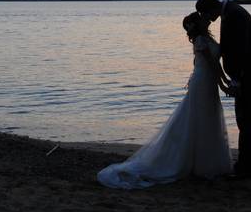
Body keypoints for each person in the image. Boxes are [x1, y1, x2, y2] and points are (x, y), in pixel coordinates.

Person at [97, 12, 231, 189]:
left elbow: (215, 64)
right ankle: (198, 164)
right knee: (200, 119)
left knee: (208, 118)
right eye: (199, 19)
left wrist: (224, 80)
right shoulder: (200, 40)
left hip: (207, 81)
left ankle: (204, 162)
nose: (203, 19)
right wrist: (223, 84)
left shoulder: (207, 39)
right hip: (204, 81)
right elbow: (212, 64)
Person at [196, 0, 251, 179]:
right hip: (249, 69)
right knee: (245, 116)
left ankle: (246, 167)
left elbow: (240, 49)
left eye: (205, 13)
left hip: (248, 71)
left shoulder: (234, 15)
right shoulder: (231, 12)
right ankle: (246, 164)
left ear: (211, 8)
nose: (206, 18)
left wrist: (237, 78)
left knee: (246, 117)